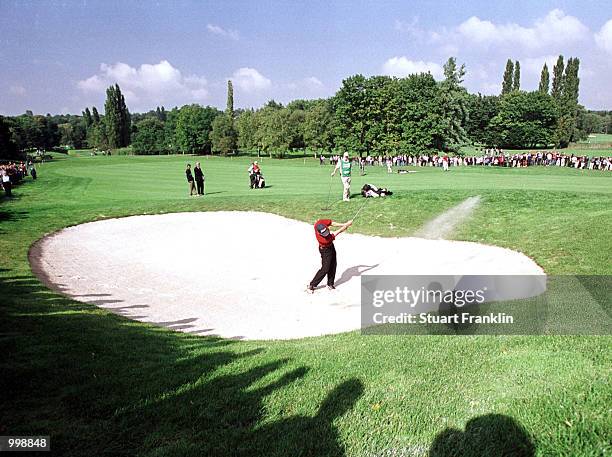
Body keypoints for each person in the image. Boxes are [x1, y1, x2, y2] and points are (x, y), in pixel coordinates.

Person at [306, 218, 353, 293]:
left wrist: (344, 224)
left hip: (331, 246)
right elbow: (337, 232)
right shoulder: (323, 239)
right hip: (325, 251)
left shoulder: (319, 223)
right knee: (325, 269)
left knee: (333, 264)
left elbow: (332, 223)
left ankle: (330, 284)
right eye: (324, 233)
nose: (326, 233)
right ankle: (311, 285)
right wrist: (345, 226)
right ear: (319, 233)